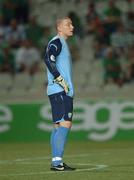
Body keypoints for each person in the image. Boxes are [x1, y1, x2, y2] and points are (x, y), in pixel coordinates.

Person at [44, 17, 75, 171]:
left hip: (57, 90)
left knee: (58, 126)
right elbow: (48, 59)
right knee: (65, 124)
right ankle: (57, 163)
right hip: (60, 90)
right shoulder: (56, 42)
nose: (72, 26)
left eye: (71, 23)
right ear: (59, 27)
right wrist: (60, 79)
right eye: (67, 24)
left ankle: (57, 161)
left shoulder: (61, 43)